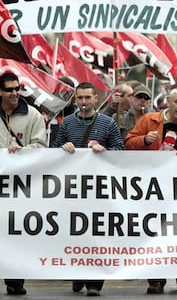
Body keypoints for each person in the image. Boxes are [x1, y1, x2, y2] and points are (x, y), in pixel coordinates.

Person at [125, 87, 177, 294]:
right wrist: (144, 140)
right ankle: (156, 278)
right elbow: (127, 143)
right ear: (168, 103)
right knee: (153, 232)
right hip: (151, 188)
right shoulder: (148, 120)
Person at [0, 72, 47, 296]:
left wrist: (23, 151)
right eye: (10, 89)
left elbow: (41, 146)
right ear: (0, 92)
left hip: (22, 185)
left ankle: (16, 282)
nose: (15, 93)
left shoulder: (33, 115)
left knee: (16, 234)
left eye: (17, 88)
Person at [54, 82, 124, 296]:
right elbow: (53, 150)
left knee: (97, 233)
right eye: (80, 98)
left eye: (87, 98)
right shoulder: (67, 123)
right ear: (75, 99)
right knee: (76, 232)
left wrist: (106, 150)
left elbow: (120, 149)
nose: (83, 102)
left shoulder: (107, 122)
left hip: (100, 190)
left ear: (95, 99)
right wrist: (62, 148)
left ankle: (95, 281)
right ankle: (78, 273)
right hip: (73, 189)